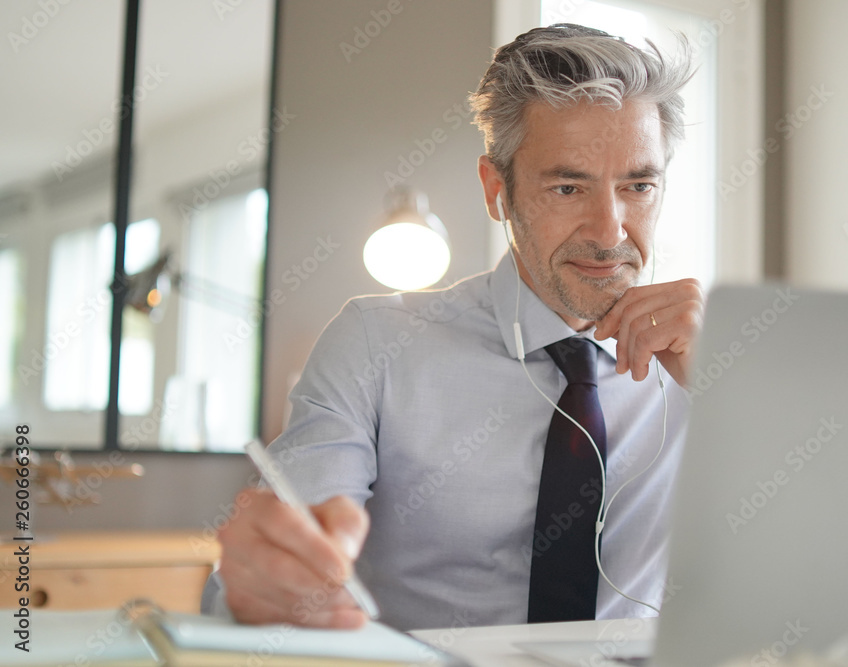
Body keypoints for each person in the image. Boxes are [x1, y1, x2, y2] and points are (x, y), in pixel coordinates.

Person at [202, 23, 702, 631]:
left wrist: (731, 395)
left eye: (639, 186)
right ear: (498, 191)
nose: (609, 231)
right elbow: (289, 547)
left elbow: (820, 574)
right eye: (568, 186)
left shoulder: (704, 358)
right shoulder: (375, 344)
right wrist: (268, 578)